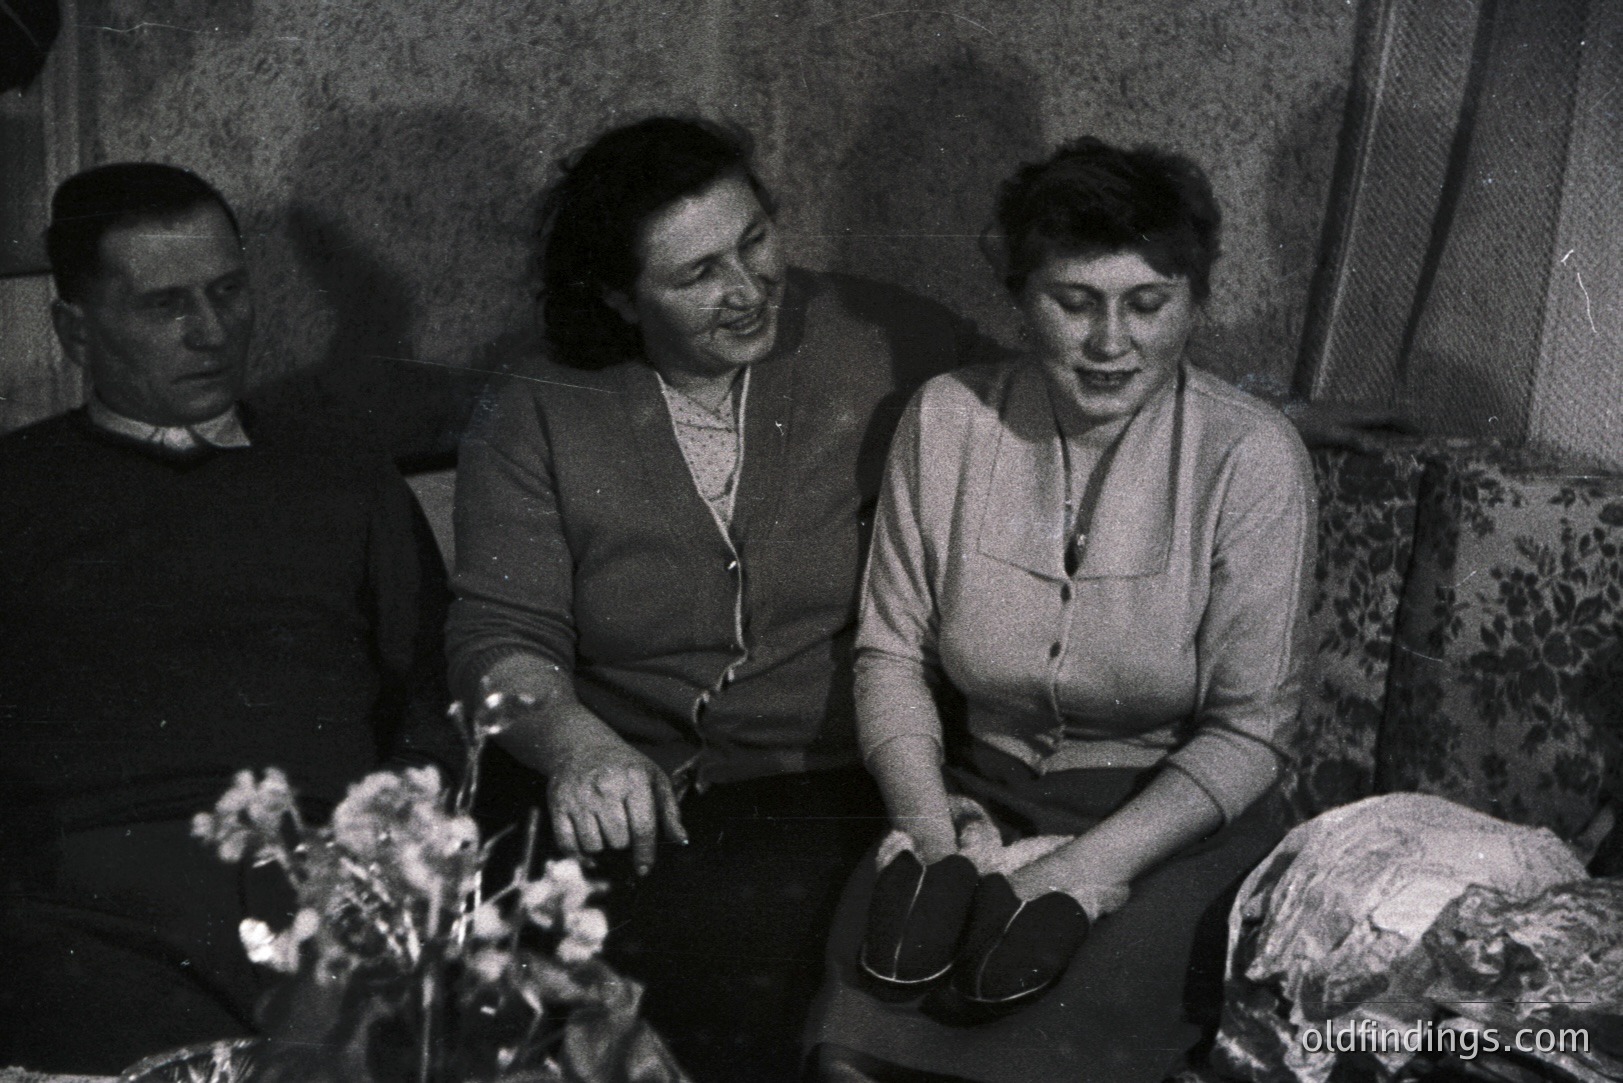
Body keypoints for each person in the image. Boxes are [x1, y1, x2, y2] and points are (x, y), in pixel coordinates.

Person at [446, 116, 986, 1081]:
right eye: (697, 274)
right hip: (623, 779)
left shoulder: (888, 338)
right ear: (619, 297)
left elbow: (1054, 409)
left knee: (752, 969)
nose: (747, 289)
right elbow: (499, 627)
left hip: (822, 776)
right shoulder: (536, 404)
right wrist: (576, 747)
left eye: (755, 241)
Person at [808, 137, 1318, 1082]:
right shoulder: (947, 419)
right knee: (856, 1047)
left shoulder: (1251, 456)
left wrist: (1084, 870)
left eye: (1147, 304)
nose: (1110, 342)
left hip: (1173, 824)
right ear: (1019, 297)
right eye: (1074, 302)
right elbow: (889, 654)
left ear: (1195, 302)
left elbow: (1252, 730)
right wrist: (930, 834)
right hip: (974, 798)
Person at [0, 163, 452, 1073]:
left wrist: (383, 858)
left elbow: (431, 699)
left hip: (328, 891)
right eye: (165, 305)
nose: (211, 331)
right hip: (87, 917)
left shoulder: (343, 477)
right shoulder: (16, 490)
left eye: (228, 291)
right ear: (74, 331)